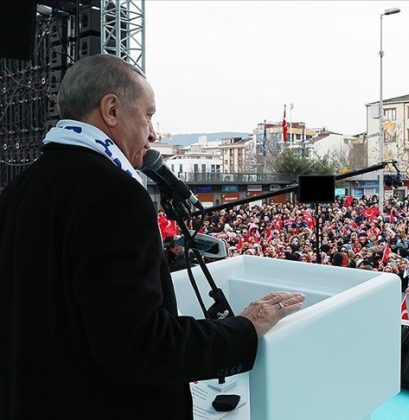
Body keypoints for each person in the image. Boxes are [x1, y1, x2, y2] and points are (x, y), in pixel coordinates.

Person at [0, 55, 305, 418]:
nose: (154, 132)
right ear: (111, 110)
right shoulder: (115, 195)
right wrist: (244, 329)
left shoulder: (16, 190)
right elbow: (140, 347)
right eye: (147, 115)